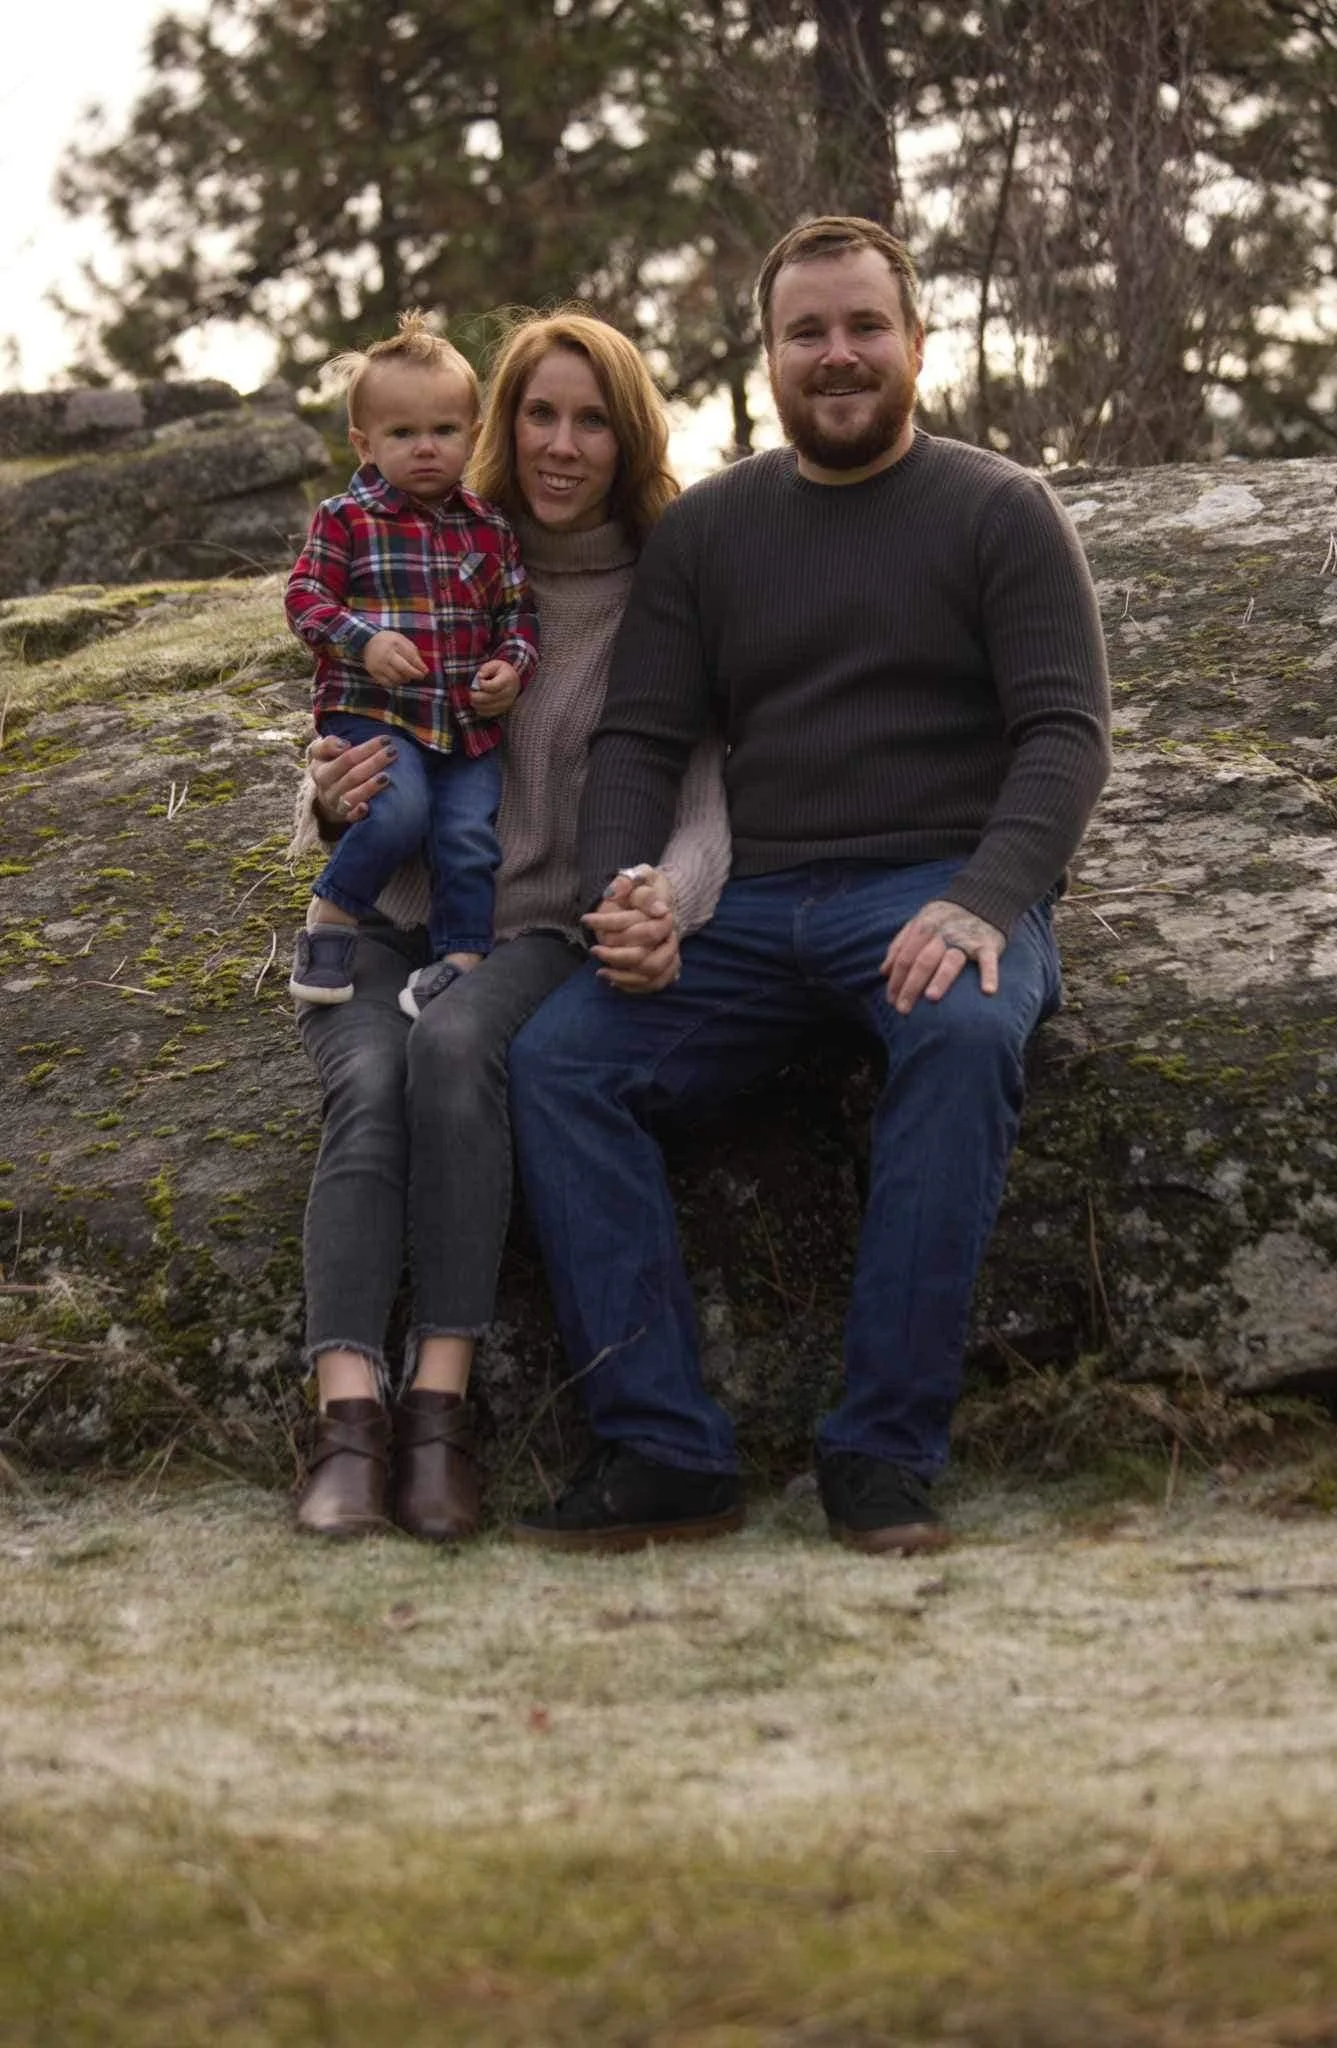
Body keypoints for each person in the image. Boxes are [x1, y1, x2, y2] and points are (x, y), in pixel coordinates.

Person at [507, 215, 1112, 1557]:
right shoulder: (712, 533)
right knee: (558, 1062)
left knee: (957, 1039)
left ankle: (882, 1456)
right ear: (768, 355)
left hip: (938, 891)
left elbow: (1065, 733)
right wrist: (629, 894)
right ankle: (665, 1453)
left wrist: (986, 898)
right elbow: (643, 740)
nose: (836, 356)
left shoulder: (999, 510)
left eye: (863, 328)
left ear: (913, 340)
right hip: (754, 910)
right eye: (807, 333)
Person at [287, 311, 730, 1542]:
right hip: (387, 916)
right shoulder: (435, 542)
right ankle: (346, 1426)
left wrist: (669, 899)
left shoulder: (668, 592)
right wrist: (324, 794)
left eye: (593, 418)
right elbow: (342, 720)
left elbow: (704, 797)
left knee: (449, 1048)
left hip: (531, 928)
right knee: (368, 1080)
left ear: (630, 434)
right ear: (501, 425)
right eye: (540, 412)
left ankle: (440, 1413)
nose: (562, 442)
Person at [284, 310, 540, 1016]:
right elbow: (304, 596)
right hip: (377, 713)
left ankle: (458, 957)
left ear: (474, 434)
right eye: (402, 433)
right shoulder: (345, 518)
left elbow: (517, 614)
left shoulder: (489, 529)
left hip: (464, 727)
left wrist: (511, 668)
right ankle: (331, 919)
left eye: (443, 430)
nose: (425, 448)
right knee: (397, 813)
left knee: (466, 836)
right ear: (364, 443)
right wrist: (360, 639)